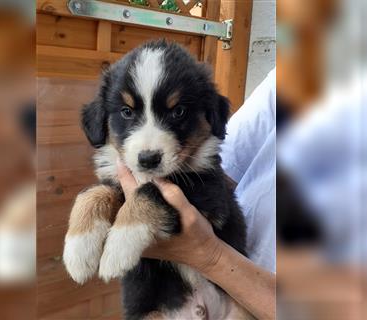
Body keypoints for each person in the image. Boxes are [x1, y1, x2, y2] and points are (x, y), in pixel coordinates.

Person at [117, 69, 276, 320]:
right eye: (128, 113)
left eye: (177, 112)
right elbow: (223, 167)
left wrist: (207, 254)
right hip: (206, 287)